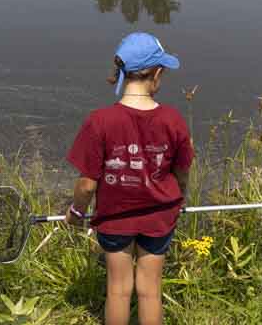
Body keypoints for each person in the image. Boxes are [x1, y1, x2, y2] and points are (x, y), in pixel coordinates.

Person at [65, 32, 194, 325]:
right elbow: (182, 172)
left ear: (123, 74)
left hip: (114, 220)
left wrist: (76, 212)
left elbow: (87, 185)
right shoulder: (173, 120)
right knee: (150, 291)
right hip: (159, 219)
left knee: (118, 291)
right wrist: (179, 199)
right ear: (157, 74)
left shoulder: (99, 122)